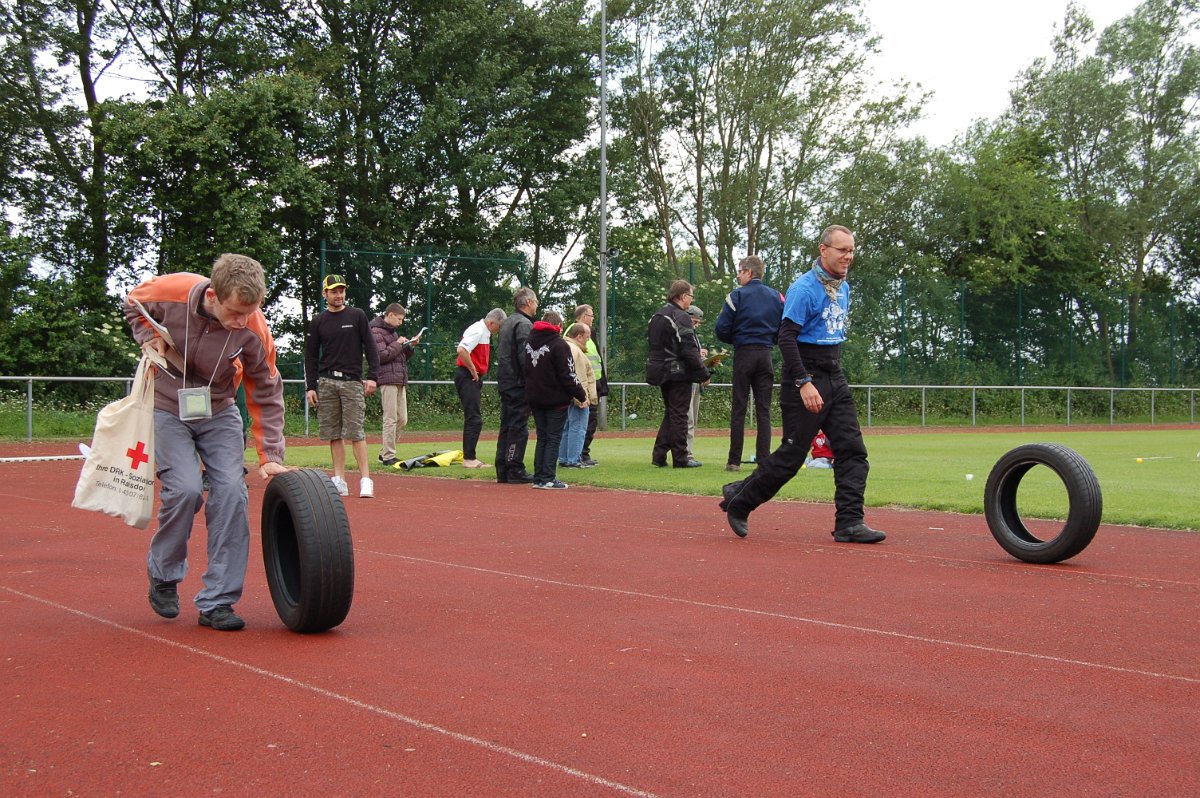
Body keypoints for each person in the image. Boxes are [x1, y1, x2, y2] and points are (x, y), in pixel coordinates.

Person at [125, 253, 288, 631]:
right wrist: (151, 338)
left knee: (231, 492)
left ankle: (218, 601)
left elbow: (265, 387)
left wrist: (270, 455)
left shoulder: (254, 328)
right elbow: (133, 302)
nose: (241, 321)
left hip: (218, 410)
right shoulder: (171, 291)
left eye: (250, 312)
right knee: (184, 490)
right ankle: (163, 572)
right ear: (212, 296)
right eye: (235, 313)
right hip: (168, 407)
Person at [719, 225, 885, 543]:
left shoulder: (844, 287)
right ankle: (740, 502)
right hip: (805, 375)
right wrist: (805, 382)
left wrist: (829, 377)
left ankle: (849, 522)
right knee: (792, 456)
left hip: (834, 373)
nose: (848, 256)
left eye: (851, 250)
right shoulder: (804, 288)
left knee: (853, 450)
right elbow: (786, 337)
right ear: (823, 250)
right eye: (842, 250)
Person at [304, 273, 380, 498]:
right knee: (334, 433)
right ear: (325, 293)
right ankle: (340, 479)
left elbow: (371, 348)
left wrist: (373, 376)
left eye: (341, 291)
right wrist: (311, 386)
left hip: (352, 382)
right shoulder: (319, 320)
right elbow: (310, 356)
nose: (339, 295)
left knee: (356, 432)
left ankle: (366, 479)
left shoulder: (357, 315)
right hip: (327, 382)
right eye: (334, 291)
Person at [715, 255, 784, 472]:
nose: (737, 275)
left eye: (739, 271)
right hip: (765, 354)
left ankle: (734, 460)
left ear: (748, 272)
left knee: (739, 408)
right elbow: (784, 327)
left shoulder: (736, 296)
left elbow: (721, 328)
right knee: (764, 409)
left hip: (744, 353)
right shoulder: (777, 297)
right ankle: (763, 460)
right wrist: (769, 340)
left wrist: (737, 339)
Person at [646, 280, 709, 468]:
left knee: (671, 413)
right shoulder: (680, 316)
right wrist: (703, 373)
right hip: (678, 373)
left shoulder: (657, 315)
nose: (691, 300)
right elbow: (688, 349)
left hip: (660, 370)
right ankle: (681, 458)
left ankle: (659, 455)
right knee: (680, 415)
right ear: (682, 296)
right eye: (690, 296)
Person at [524, 310, 586, 489]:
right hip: (555, 399)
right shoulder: (559, 345)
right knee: (553, 438)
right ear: (558, 326)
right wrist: (581, 395)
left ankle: (539, 478)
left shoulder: (529, 342)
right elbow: (568, 375)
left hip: (534, 397)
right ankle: (548, 478)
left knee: (542, 437)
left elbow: (524, 368)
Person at [494, 288, 538, 483]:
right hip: (517, 383)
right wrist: (532, 380)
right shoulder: (524, 324)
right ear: (528, 302)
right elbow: (525, 357)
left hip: (505, 380)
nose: (536, 304)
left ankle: (502, 467)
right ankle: (514, 468)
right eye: (535, 301)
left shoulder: (507, 323)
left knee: (506, 425)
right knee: (518, 426)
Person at [455, 307, 507, 468]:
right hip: (467, 376)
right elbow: (462, 350)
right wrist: (472, 370)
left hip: (471, 376)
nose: (498, 331)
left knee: (474, 417)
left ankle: (470, 457)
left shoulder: (484, 331)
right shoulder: (478, 330)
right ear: (491, 323)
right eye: (498, 327)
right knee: (474, 418)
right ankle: (469, 458)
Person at [370, 303, 419, 467]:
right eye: (399, 319)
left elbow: (399, 356)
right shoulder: (375, 331)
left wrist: (409, 346)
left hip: (399, 379)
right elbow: (381, 356)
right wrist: (398, 343)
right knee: (390, 418)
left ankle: (385, 452)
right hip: (387, 380)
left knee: (402, 419)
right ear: (390, 315)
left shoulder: (392, 332)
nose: (400, 322)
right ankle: (388, 455)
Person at [570, 304, 608, 467]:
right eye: (591, 316)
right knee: (582, 422)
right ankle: (579, 454)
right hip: (584, 385)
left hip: (593, 384)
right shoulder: (575, 331)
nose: (593, 319)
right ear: (584, 316)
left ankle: (582, 453)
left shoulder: (587, 334)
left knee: (589, 421)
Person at [559, 322, 597, 469]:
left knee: (567, 427)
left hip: (566, 395)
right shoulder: (575, 350)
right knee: (578, 427)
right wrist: (582, 397)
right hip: (577, 396)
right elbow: (579, 376)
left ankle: (564, 458)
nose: (588, 341)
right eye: (587, 337)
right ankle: (574, 459)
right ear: (579, 336)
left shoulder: (567, 346)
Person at [684, 304, 710, 461]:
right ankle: (685, 451)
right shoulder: (684, 333)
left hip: (696, 380)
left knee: (693, 418)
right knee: (688, 418)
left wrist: (706, 361)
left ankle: (688, 450)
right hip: (687, 379)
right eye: (694, 321)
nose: (697, 325)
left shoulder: (693, 335)